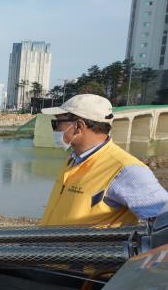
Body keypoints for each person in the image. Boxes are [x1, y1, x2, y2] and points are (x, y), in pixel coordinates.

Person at [39, 94, 168, 227]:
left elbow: (164, 219)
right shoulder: (74, 159)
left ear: (78, 126)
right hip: (47, 246)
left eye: (56, 123)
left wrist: (152, 249)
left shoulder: (125, 170)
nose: (55, 129)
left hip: (85, 249)